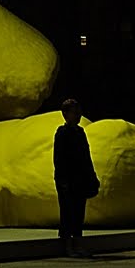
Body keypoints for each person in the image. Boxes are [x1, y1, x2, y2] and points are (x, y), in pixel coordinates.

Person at [53, 98, 99, 258]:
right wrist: (62, 181)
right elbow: (58, 159)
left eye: (79, 112)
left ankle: (78, 244)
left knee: (79, 213)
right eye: (74, 112)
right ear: (65, 114)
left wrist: (91, 176)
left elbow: (86, 157)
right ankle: (68, 246)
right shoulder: (62, 133)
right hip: (67, 180)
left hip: (80, 179)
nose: (78, 115)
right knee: (67, 213)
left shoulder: (80, 133)